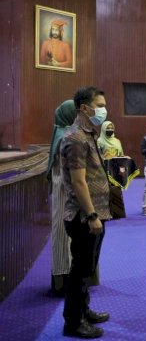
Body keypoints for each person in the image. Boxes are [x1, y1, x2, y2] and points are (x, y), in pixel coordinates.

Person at [59, 86, 111, 338]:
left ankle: (83, 309)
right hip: (84, 217)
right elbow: (78, 182)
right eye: (99, 105)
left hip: (95, 214)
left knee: (86, 268)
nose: (103, 109)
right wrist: (91, 215)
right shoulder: (76, 138)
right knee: (79, 271)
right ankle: (73, 322)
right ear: (84, 108)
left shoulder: (89, 133)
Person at [46, 100, 76, 296]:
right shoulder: (67, 136)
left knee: (62, 237)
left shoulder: (60, 133)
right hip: (66, 194)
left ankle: (61, 280)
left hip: (60, 194)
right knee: (65, 238)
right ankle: (64, 283)